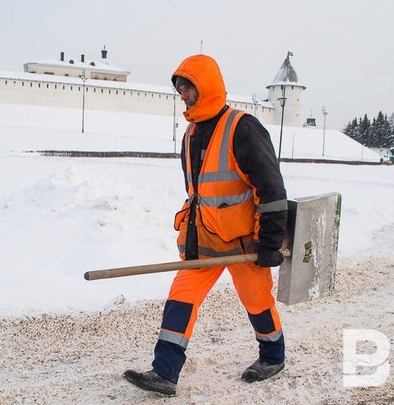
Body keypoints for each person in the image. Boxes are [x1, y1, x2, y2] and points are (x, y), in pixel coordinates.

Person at [123, 54, 288, 396]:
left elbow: (271, 190)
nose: (182, 94)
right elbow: (199, 193)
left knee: (257, 300)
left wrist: (269, 244)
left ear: (206, 87)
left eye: (188, 87)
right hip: (205, 239)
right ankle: (164, 372)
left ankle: (273, 356)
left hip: (244, 241)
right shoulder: (190, 133)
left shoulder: (242, 127)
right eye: (179, 88)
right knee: (181, 297)